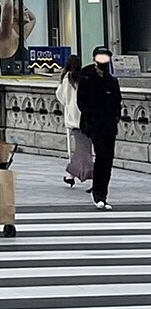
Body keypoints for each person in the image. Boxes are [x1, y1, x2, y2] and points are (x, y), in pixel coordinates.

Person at [77, 47, 122, 210]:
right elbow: (81, 102)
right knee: (102, 155)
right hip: (94, 124)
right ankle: (97, 194)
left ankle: (103, 193)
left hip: (109, 125)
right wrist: (90, 119)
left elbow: (117, 102)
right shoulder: (87, 77)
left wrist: (115, 118)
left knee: (108, 160)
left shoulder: (112, 80)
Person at [55, 55, 93, 189]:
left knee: (82, 148)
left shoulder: (68, 78)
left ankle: (80, 172)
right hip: (86, 116)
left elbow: (62, 97)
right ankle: (71, 174)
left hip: (73, 117)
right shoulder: (84, 78)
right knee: (83, 146)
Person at [0, 0, 36, 75]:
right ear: (12, 14)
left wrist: (22, 8)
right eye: (21, 6)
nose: (26, 9)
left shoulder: (21, 35)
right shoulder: (6, 35)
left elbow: (33, 19)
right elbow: (7, 1)